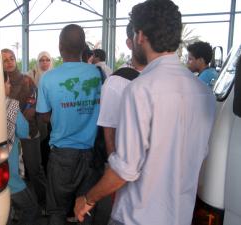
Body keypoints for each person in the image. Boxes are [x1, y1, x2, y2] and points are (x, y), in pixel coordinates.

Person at [74, 1, 216, 225]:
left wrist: (88, 199)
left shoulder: (141, 89)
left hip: (137, 216)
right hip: (179, 215)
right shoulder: (204, 94)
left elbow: (126, 168)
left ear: (140, 36)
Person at [36, 24, 102, 225]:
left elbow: (43, 116)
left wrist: (61, 115)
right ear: (84, 47)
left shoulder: (48, 78)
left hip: (62, 154)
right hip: (91, 153)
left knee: (57, 211)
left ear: (60, 46)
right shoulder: (97, 74)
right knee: (85, 209)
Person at [1, 49, 47, 209]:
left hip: (28, 131)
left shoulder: (27, 80)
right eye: (5, 60)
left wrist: (17, 118)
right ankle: (14, 208)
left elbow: (32, 103)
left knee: (34, 169)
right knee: (11, 172)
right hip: (7, 136)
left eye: (11, 58)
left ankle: (44, 203)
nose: (9, 62)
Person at [98, 21, 147, 156]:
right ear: (129, 43)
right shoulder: (116, 82)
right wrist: (114, 166)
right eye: (141, 39)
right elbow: (109, 133)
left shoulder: (164, 76)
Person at [4, 72, 40, 225]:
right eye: (7, 83)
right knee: (32, 208)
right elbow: (23, 130)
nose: (9, 86)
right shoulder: (10, 104)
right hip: (9, 171)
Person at [27, 51, 53, 176]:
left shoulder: (54, 75)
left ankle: (45, 169)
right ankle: (32, 171)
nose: (44, 63)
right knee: (33, 143)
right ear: (38, 62)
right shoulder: (31, 75)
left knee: (45, 143)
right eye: (42, 60)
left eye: (47, 60)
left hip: (50, 116)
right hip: (34, 116)